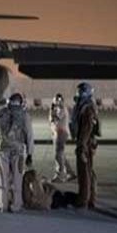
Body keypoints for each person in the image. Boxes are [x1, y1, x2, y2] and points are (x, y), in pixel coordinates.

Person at [0, 92, 34, 213]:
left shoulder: (0, 112)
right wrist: (30, 153)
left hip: (1, 150)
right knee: (17, 179)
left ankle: (2, 205)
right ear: (20, 102)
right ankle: (16, 205)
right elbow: (29, 135)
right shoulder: (24, 115)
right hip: (18, 151)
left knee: (2, 179)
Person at [71, 82, 99, 210]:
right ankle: (91, 198)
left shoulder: (86, 108)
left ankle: (84, 200)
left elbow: (86, 129)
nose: (78, 94)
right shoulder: (86, 106)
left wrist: (81, 147)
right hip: (87, 142)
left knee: (84, 173)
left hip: (85, 144)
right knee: (89, 171)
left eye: (80, 91)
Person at [49, 93, 76, 182]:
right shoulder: (57, 109)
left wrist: (52, 112)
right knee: (61, 154)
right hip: (57, 133)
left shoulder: (61, 109)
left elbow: (55, 119)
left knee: (58, 154)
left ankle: (59, 175)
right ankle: (70, 172)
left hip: (61, 133)